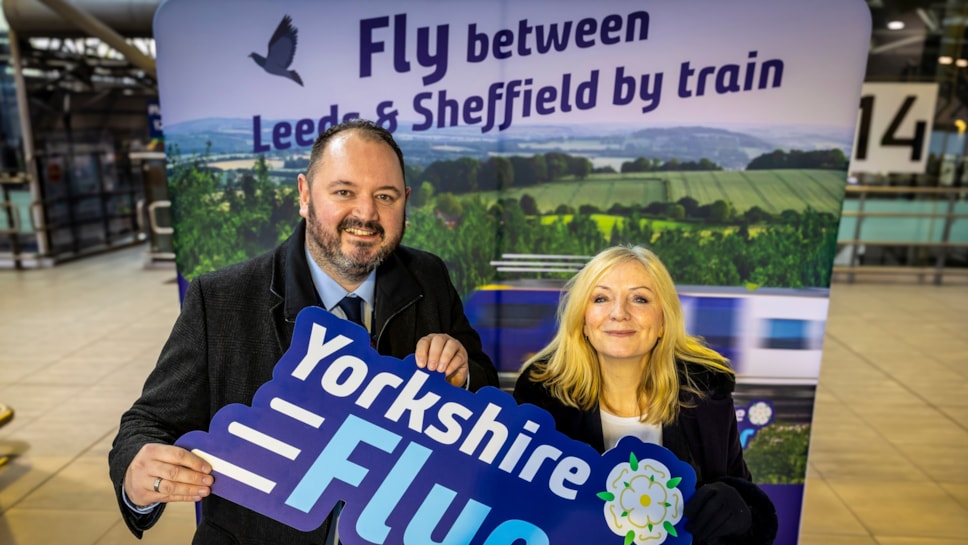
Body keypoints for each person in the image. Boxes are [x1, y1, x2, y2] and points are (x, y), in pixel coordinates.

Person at [109, 119, 499, 543]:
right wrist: (137, 476)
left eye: (384, 196)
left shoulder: (429, 277)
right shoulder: (219, 299)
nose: (366, 214)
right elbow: (146, 423)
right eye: (344, 192)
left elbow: (483, 384)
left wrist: (463, 378)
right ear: (304, 195)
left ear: (404, 201)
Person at [513, 245, 777, 545]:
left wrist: (739, 509)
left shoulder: (705, 399)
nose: (619, 313)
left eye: (639, 299)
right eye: (601, 298)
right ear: (583, 321)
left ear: (663, 321)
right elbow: (507, 500)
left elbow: (746, 502)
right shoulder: (541, 400)